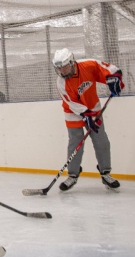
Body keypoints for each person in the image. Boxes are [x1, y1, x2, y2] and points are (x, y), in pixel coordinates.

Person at [51, 48, 124, 192]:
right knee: (75, 142)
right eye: (59, 68)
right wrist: (85, 114)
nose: (62, 71)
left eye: (64, 67)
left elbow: (111, 69)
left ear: (72, 63)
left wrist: (114, 79)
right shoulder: (61, 82)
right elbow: (70, 103)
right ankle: (72, 175)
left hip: (94, 108)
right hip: (73, 112)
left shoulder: (89, 65)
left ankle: (105, 173)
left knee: (101, 140)